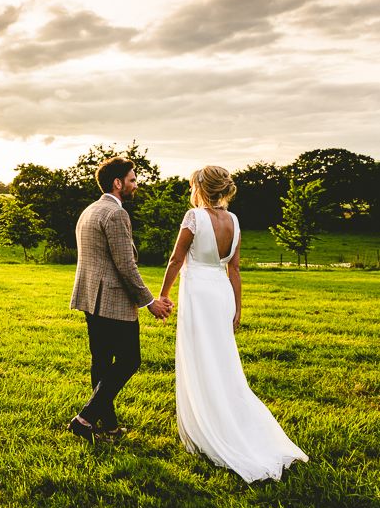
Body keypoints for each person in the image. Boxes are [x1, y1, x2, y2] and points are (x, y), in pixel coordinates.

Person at [159, 165, 308, 482]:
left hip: (198, 294)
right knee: (223, 361)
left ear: (199, 188)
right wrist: (238, 308)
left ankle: (209, 429)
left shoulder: (194, 218)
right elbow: (235, 270)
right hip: (222, 294)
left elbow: (176, 259)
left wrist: (163, 295)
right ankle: (228, 418)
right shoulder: (234, 221)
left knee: (201, 360)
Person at [68, 157, 173, 443]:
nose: (135, 185)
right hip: (113, 301)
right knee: (129, 360)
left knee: (102, 363)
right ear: (118, 183)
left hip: (90, 298)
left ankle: (108, 428)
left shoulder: (90, 211)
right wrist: (150, 302)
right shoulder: (116, 214)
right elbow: (126, 265)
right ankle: (85, 418)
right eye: (132, 180)